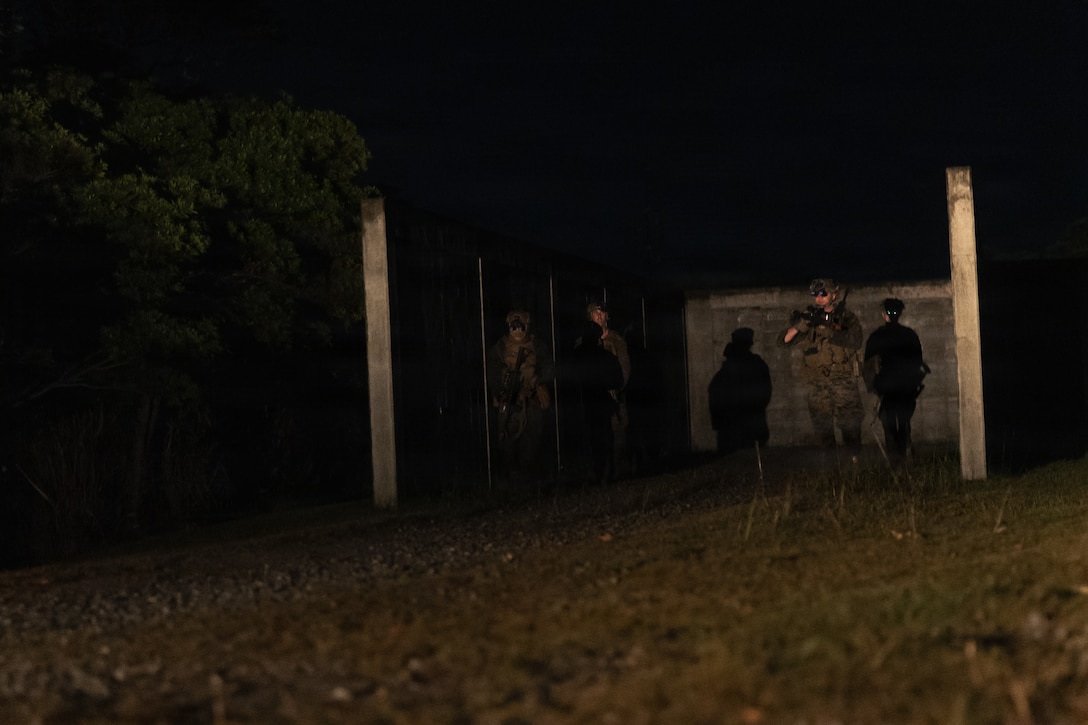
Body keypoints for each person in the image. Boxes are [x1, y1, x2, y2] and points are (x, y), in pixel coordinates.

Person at [780, 278, 864, 448]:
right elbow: (783, 341)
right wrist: (799, 327)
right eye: (815, 294)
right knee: (823, 434)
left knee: (851, 432)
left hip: (843, 383)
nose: (818, 298)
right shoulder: (809, 319)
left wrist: (830, 332)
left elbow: (856, 340)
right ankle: (830, 470)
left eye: (823, 294)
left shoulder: (846, 317)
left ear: (834, 295)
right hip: (818, 385)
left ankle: (854, 469)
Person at [486, 309, 555, 489]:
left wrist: (536, 379)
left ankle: (530, 478)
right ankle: (511, 478)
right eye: (513, 326)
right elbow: (492, 372)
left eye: (520, 326)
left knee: (533, 439)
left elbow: (549, 368)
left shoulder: (537, 346)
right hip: (509, 400)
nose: (517, 330)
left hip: (532, 400)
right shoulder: (500, 348)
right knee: (507, 440)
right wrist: (505, 378)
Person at [863, 298, 929, 467]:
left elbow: (868, 366)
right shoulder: (909, 335)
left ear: (884, 314)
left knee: (891, 427)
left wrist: (874, 387)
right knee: (903, 425)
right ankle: (904, 461)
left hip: (889, 389)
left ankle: (897, 464)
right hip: (905, 388)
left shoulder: (877, 337)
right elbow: (918, 362)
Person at [569, 319, 624, 485]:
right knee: (605, 437)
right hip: (602, 402)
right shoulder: (606, 356)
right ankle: (606, 471)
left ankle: (594, 472)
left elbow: (569, 380)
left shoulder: (576, 356)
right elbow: (618, 380)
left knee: (590, 439)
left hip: (583, 403)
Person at [708, 327, 772, 454]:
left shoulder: (731, 367)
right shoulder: (755, 364)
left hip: (737, 423)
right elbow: (765, 390)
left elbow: (715, 393)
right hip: (742, 422)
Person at [586, 301, 631, 477]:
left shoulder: (617, 340)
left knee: (618, 437)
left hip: (613, 398)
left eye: (602, 313)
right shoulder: (583, 341)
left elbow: (625, 368)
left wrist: (616, 387)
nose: (599, 316)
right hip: (592, 400)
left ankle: (618, 474)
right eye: (595, 312)